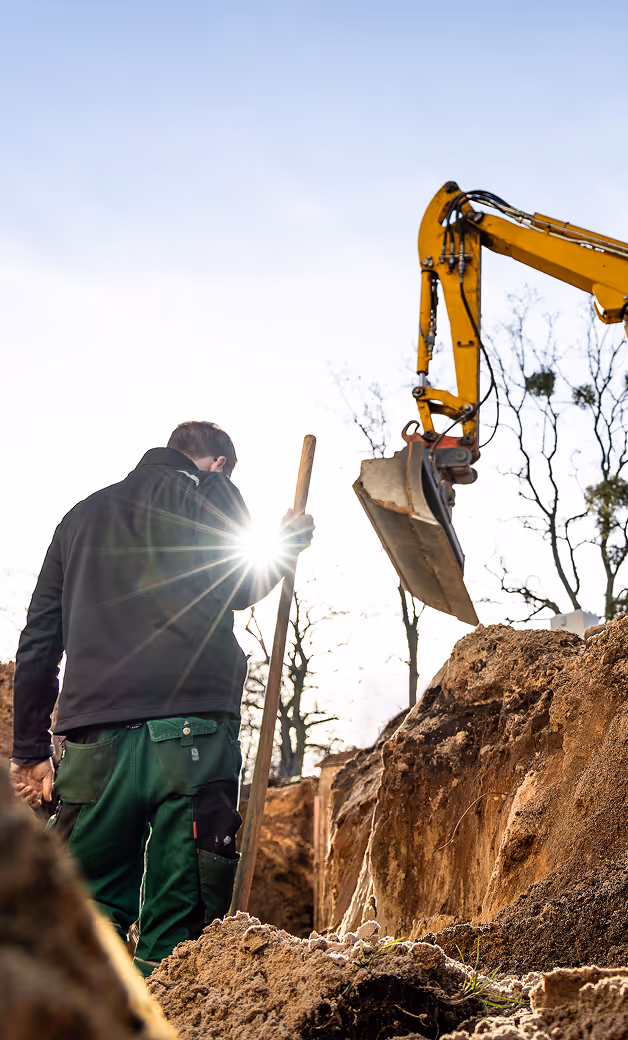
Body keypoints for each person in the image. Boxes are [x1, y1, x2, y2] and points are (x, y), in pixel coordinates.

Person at [9, 421, 314, 977]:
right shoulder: (208, 494)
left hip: (93, 744)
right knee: (180, 939)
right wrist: (285, 543)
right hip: (193, 740)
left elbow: (39, 641)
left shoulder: (79, 518)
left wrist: (29, 748)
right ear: (218, 463)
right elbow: (239, 586)